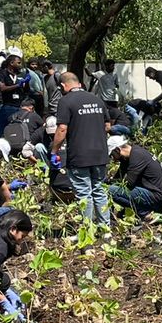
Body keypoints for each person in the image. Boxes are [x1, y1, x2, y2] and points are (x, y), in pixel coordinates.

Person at [52, 70, 112, 228]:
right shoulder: (97, 99)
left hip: (79, 155)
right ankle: (105, 228)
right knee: (99, 190)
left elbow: (62, 129)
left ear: (63, 86)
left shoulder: (65, 101)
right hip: (100, 154)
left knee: (84, 193)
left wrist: (54, 151)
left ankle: (87, 229)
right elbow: (107, 126)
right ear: (79, 84)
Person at [108, 135, 162, 217]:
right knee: (113, 188)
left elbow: (128, 183)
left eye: (112, 155)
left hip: (156, 196)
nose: (113, 159)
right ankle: (144, 209)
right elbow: (119, 176)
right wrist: (109, 181)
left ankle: (146, 213)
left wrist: (110, 183)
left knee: (110, 190)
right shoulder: (132, 153)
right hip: (153, 193)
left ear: (117, 150)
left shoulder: (137, 156)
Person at [0, 49, 29, 136]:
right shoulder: (3, 74)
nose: (20, 65)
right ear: (11, 63)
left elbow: (26, 91)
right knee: (0, 130)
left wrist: (26, 83)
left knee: (18, 130)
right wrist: (18, 85)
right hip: (8, 106)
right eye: (18, 63)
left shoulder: (20, 75)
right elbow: (3, 88)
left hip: (20, 106)